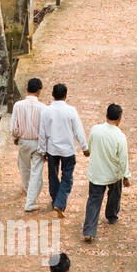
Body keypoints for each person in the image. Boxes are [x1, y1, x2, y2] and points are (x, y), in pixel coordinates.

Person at [37, 83, 88, 218]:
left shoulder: (46, 111)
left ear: (52, 95)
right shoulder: (71, 111)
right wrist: (85, 147)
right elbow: (78, 131)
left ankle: (55, 200)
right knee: (67, 177)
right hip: (68, 150)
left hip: (52, 149)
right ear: (66, 95)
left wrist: (42, 150)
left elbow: (42, 132)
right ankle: (60, 202)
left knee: (53, 175)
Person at [82, 103, 131, 242]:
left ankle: (89, 231)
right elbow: (123, 159)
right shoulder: (120, 136)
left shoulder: (95, 129)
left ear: (106, 115)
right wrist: (126, 176)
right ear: (120, 118)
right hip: (113, 174)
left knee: (93, 201)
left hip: (96, 173)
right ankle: (111, 216)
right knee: (114, 195)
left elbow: (90, 146)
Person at [10, 77, 46, 212]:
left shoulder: (18, 105)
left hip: (23, 141)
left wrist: (15, 138)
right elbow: (45, 129)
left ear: (27, 89)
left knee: (24, 168)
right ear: (39, 91)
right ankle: (30, 201)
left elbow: (13, 127)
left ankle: (27, 190)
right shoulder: (43, 108)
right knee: (37, 172)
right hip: (38, 142)